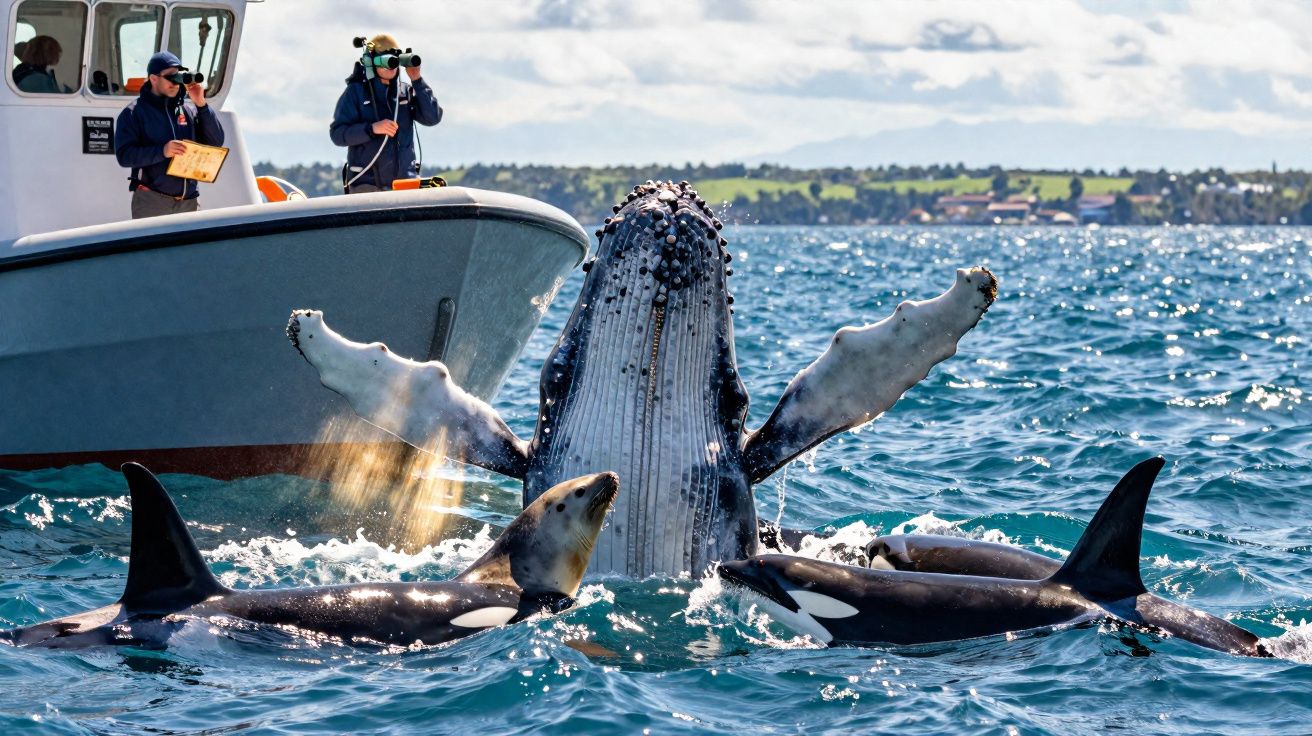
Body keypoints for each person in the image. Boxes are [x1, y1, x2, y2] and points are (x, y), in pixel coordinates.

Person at [114, 51, 225, 218]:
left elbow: (216, 142)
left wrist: (201, 104)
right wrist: (163, 151)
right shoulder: (133, 113)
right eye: (170, 78)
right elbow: (125, 156)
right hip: (152, 202)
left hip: (189, 202)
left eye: (178, 77)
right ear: (153, 79)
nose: (175, 83)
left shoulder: (189, 110)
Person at [331, 33, 442, 193]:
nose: (392, 67)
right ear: (371, 63)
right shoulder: (356, 92)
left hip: (405, 186)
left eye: (395, 61)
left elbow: (433, 117)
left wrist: (417, 80)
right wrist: (372, 129)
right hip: (367, 187)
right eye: (387, 61)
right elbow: (338, 134)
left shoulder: (404, 92)